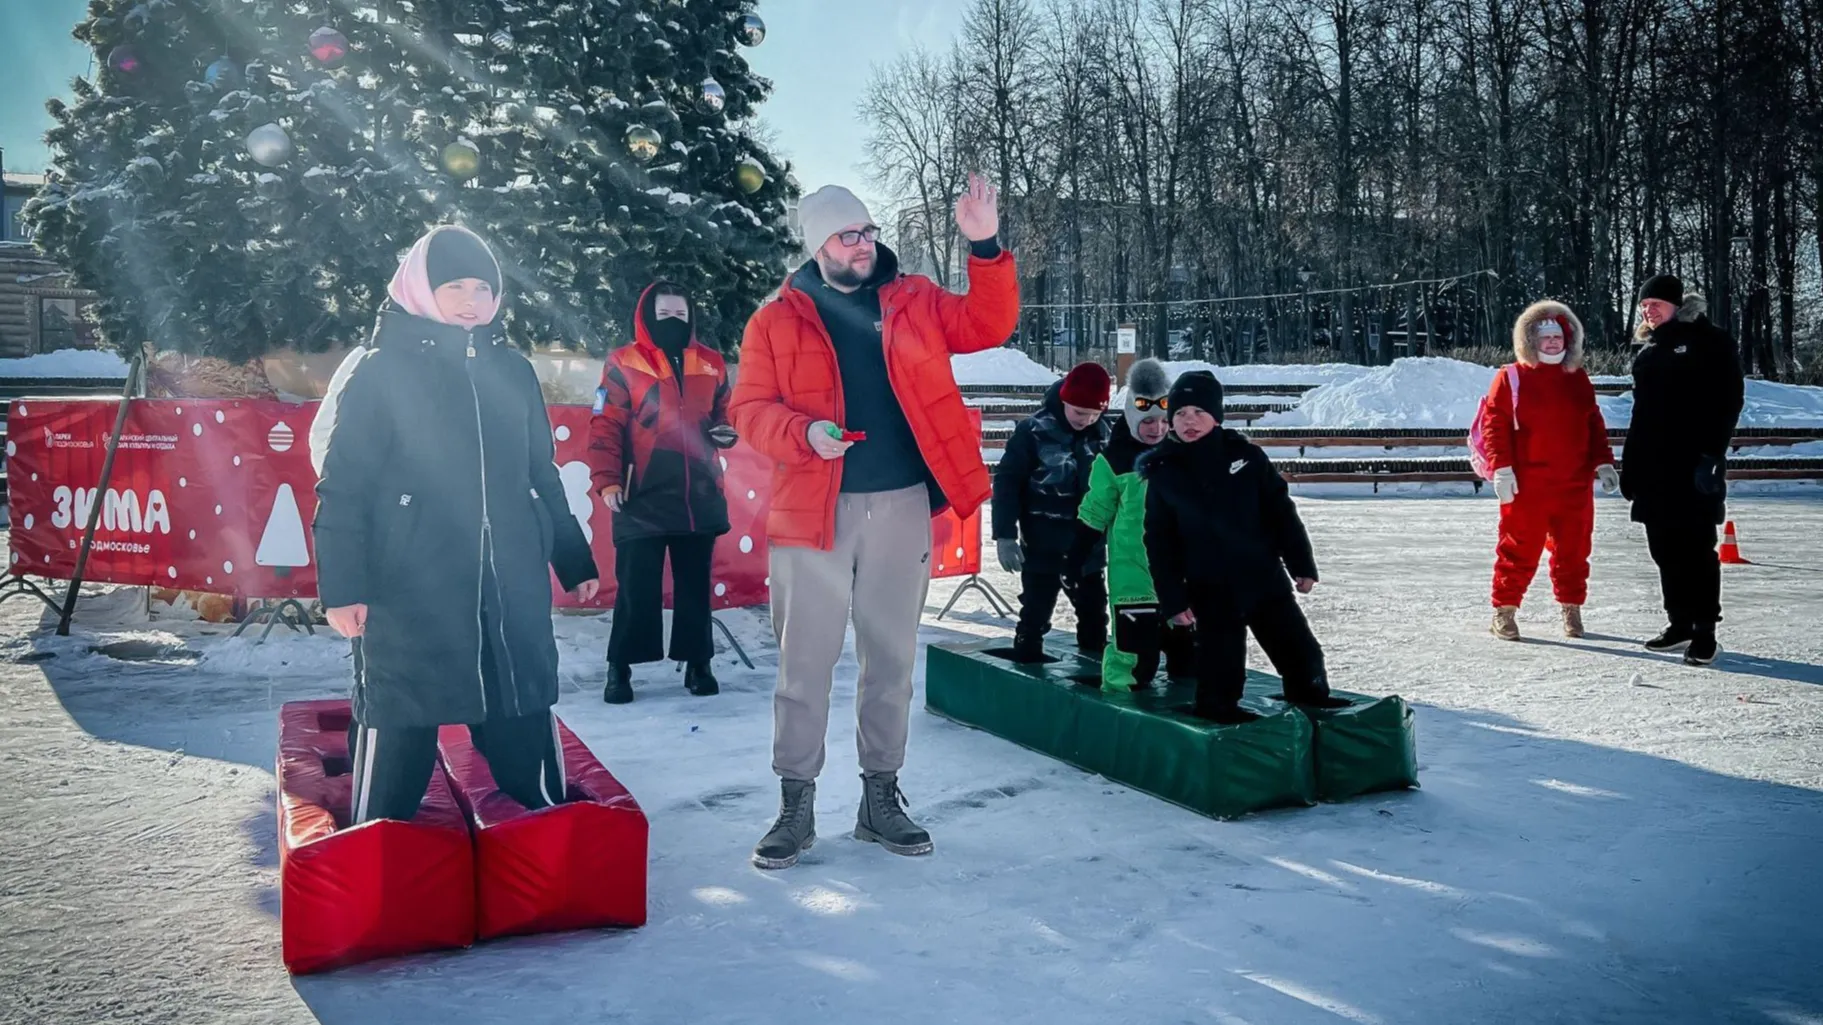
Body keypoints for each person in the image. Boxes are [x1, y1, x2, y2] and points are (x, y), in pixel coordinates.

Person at [729, 174, 1018, 869]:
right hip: (812, 513)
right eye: (846, 236)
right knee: (804, 666)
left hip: (900, 506)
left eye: (867, 232)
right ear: (816, 246)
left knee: (889, 660)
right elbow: (746, 412)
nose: (862, 246)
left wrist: (984, 244)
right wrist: (802, 433)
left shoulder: (913, 298)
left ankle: (878, 797)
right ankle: (794, 803)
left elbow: (988, 323)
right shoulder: (775, 319)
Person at [311, 225, 599, 824]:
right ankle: (379, 841)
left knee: (519, 707)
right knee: (402, 719)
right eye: (455, 286)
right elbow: (345, 486)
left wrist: (573, 558)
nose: (472, 299)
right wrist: (343, 587)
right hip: (411, 586)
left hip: (510, 585)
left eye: (484, 287)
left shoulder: (514, 370)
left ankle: (545, 832)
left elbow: (540, 473)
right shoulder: (380, 372)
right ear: (420, 289)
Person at [1138, 371, 1348, 724]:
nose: (1189, 421)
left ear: (1217, 417)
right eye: (1181, 414)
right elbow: (1160, 542)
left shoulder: (1247, 457)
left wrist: (1301, 564)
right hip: (1209, 586)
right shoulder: (1164, 471)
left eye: (1198, 413)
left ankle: (1311, 698)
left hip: (1263, 578)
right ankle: (1217, 710)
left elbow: (1281, 512)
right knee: (1220, 661)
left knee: (1299, 649)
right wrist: (1173, 599)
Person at [586, 281, 736, 704]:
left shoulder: (711, 363)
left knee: (695, 587)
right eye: (664, 314)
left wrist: (726, 433)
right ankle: (620, 667)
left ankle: (698, 663)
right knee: (636, 587)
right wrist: (607, 480)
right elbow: (603, 424)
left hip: (699, 492)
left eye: (680, 314)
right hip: (641, 492)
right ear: (647, 316)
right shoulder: (622, 362)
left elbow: (726, 412)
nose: (673, 322)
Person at [1621, 274, 1745, 666]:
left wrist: (1711, 455)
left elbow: (1729, 402)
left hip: (1693, 465)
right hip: (1653, 470)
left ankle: (1705, 630)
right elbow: (1641, 417)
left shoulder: (1711, 342)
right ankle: (1680, 623)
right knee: (1663, 548)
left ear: (1679, 304)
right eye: (1643, 306)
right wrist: (1631, 467)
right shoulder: (1649, 351)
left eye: (1656, 303)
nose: (1648, 310)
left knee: (1696, 549)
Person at [1482, 301, 1619, 642]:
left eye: (1559, 336)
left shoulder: (1577, 377)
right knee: (1518, 548)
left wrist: (1603, 462)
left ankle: (1571, 607)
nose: (1553, 342)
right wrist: (1502, 470)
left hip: (1573, 483)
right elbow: (1494, 425)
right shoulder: (1510, 377)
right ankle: (1505, 610)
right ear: (1530, 340)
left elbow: (1593, 422)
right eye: (1545, 337)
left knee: (1574, 549)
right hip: (1528, 483)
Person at [1068, 358, 1192, 690]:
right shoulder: (1114, 461)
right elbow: (1095, 512)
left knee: (1189, 655)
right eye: (1147, 422)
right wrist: (1075, 558)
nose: (1157, 429)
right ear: (1132, 416)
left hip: (1180, 576)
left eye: (1163, 421)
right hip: (1133, 580)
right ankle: (1120, 713)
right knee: (1134, 657)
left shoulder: (1182, 457)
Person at [992, 361, 1112, 663]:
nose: (1086, 420)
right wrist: (1005, 535)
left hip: (1088, 547)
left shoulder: (1106, 436)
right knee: (1035, 611)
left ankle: (1094, 670)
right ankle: (1026, 658)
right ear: (1064, 401)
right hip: (1042, 543)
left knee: (1094, 615)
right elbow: (1008, 483)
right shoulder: (1033, 431)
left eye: (1094, 414)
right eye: (1079, 412)